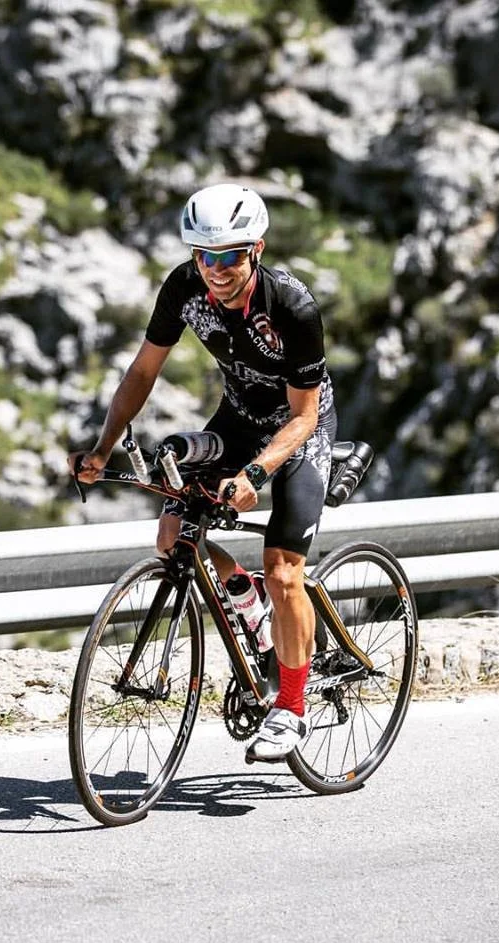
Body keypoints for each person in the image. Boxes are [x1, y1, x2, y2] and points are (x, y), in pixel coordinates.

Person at [68, 182, 336, 763]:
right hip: (238, 417)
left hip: (295, 430)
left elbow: (305, 415)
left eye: (228, 256)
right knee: (173, 537)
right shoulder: (184, 287)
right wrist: (101, 448)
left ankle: (291, 707)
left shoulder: (292, 306)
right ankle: (245, 599)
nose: (214, 269)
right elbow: (142, 373)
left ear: (255, 251)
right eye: (203, 255)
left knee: (285, 571)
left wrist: (256, 476)